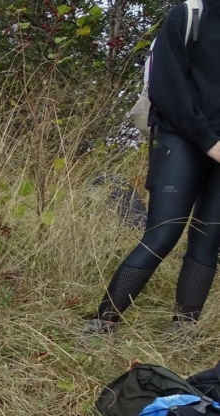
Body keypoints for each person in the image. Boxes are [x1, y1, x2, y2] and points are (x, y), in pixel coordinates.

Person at [86, 0, 220, 334]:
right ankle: (104, 321)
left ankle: (182, 331)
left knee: (208, 240)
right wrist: (207, 140)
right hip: (182, 137)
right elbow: (167, 86)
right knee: (163, 233)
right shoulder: (191, 13)